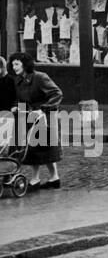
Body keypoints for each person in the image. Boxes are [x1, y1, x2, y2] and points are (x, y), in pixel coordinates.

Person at [7, 52, 62, 189]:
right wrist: (15, 107)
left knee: (44, 148)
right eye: (13, 64)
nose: (14, 67)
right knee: (34, 148)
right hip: (29, 117)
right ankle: (41, 178)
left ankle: (51, 178)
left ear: (25, 64)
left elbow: (57, 93)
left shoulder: (40, 77)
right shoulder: (18, 80)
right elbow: (20, 99)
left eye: (17, 64)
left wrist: (43, 109)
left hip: (45, 116)